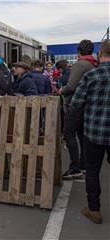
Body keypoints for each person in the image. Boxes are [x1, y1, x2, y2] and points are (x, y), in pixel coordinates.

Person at [67, 39, 110, 224]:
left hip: (95, 132)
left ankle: (94, 210)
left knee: (92, 171)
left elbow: (76, 103)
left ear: (100, 54)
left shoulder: (92, 75)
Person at [59, 40, 98, 180]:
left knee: (69, 134)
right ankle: (83, 165)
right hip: (88, 105)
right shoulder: (94, 64)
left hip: (75, 105)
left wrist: (60, 90)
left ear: (79, 51)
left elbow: (71, 86)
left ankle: (75, 167)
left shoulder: (80, 64)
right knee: (82, 136)